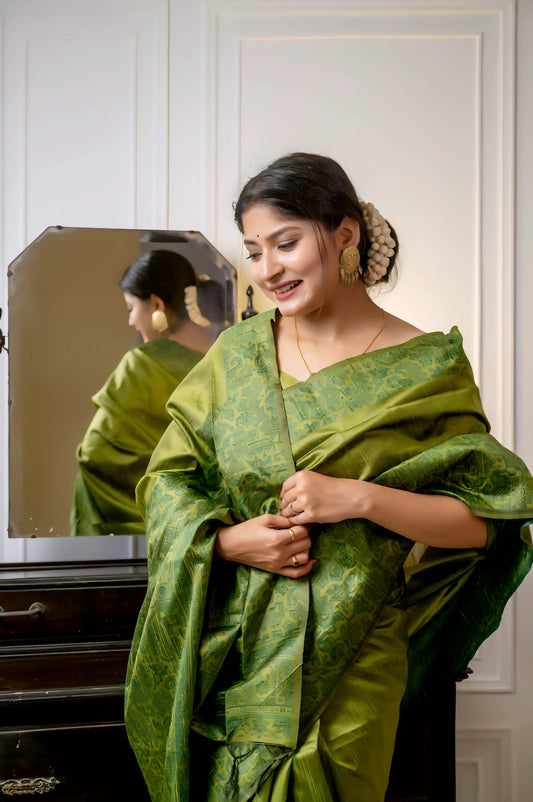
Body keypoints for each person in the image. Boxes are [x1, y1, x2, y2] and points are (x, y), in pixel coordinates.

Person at [124, 153, 533, 800]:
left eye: (285, 243)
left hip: (352, 664)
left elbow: (486, 522)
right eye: (254, 251)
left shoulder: (425, 368)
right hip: (236, 655)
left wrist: (361, 499)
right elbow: (169, 482)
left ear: (344, 235)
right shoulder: (239, 355)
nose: (268, 270)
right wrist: (227, 542)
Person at [70, 249, 219, 536]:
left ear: (156, 304)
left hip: (136, 536)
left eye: (130, 308)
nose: (130, 321)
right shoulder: (226, 358)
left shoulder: (140, 364)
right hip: (206, 526)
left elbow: (94, 456)